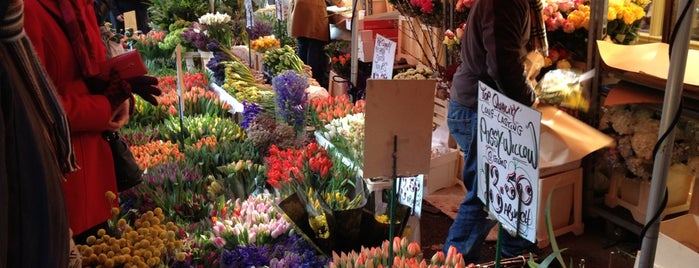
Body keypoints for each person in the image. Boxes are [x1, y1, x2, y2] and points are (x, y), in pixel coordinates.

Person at [23, 0, 160, 244]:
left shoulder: (78, 6)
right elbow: (31, 104)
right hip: (59, 180)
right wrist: (103, 107)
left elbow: (92, 73)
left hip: (95, 173)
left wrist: (123, 94)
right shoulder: (25, 10)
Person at [443, 0, 547, 263]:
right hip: (480, 108)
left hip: (488, 105)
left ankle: (516, 252)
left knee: (510, 182)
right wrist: (530, 98)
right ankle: (453, 261)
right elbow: (502, 63)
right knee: (486, 196)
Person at [288, 0, 344, 88]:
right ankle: (314, 84)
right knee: (315, 47)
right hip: (314, 10)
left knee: (303, 46)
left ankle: (302, 84)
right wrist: (339, 3)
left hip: (300, 9)